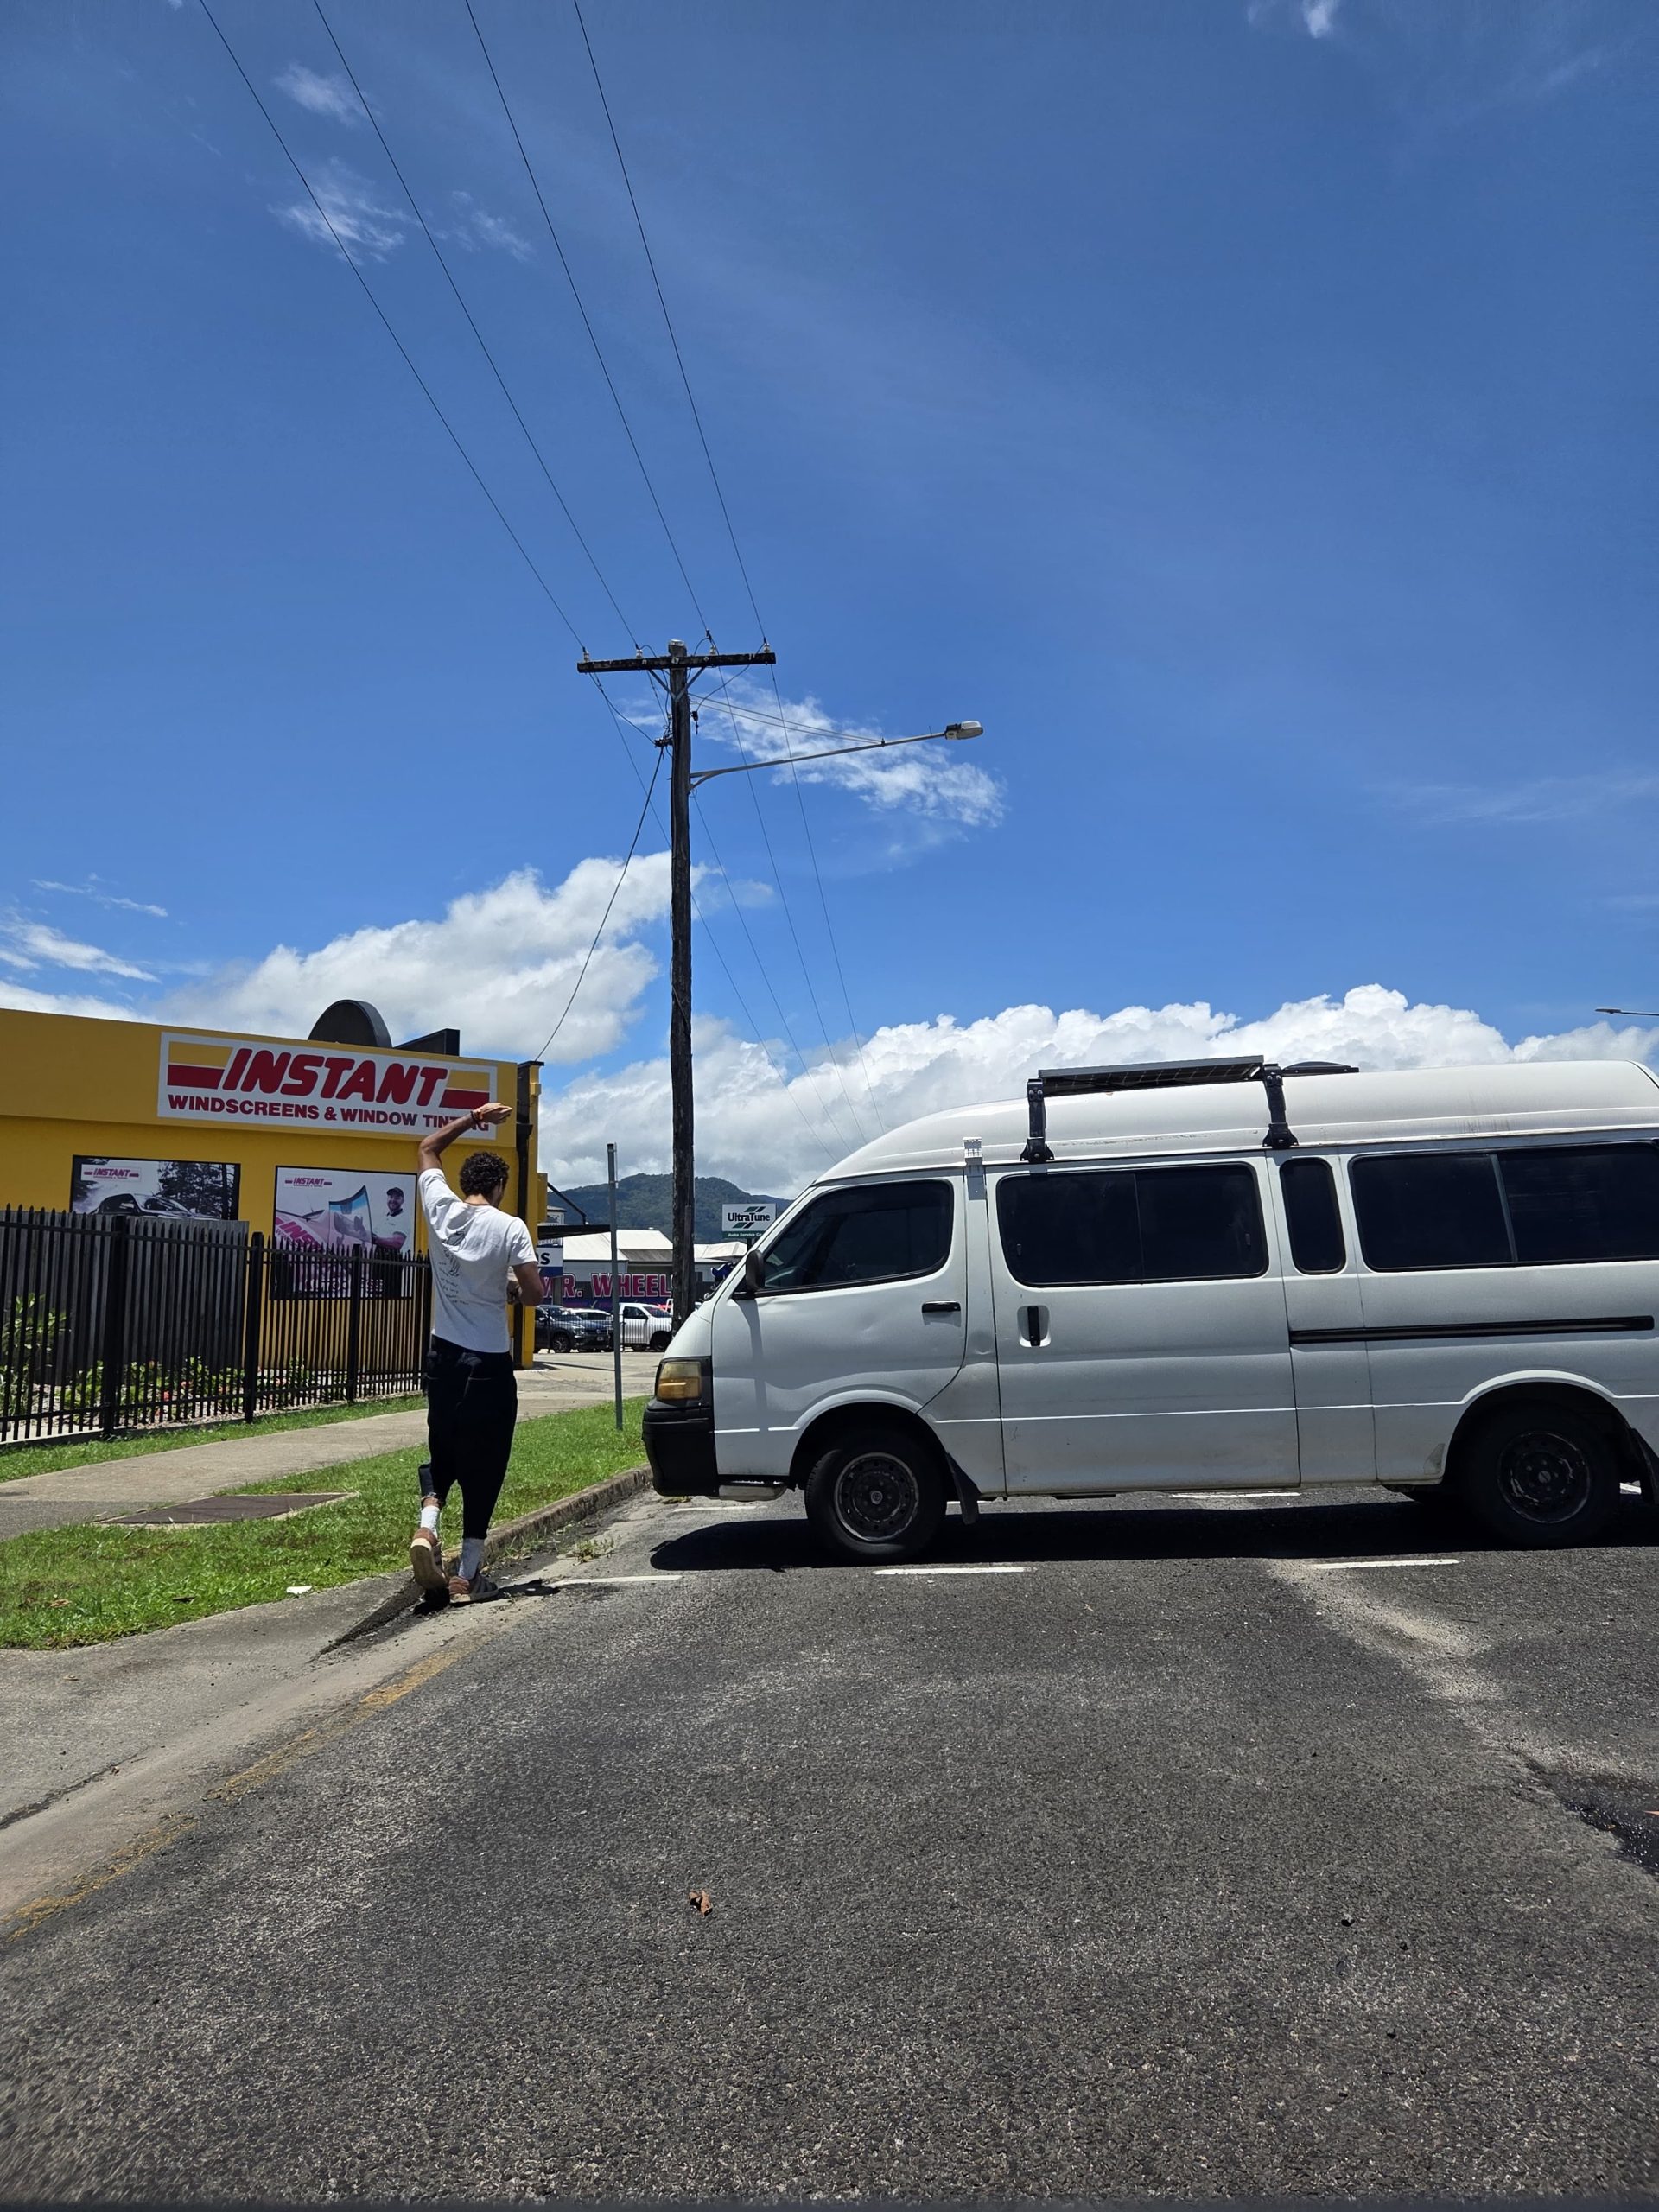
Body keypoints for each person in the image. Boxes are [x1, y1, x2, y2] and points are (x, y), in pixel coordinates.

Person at [407, 1103, 543, 1604]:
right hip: (487, 1363)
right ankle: (466, 1574)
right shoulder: (510, 1228)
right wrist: (508, 1288)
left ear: (463, 1181)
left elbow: (427, 1147)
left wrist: (473, 1118)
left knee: (443, 1448)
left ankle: (427, 1527)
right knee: (487, 1463)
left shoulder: (438, 1206)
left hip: (441, 1355)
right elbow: (533, 1295)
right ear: (501, 1188)